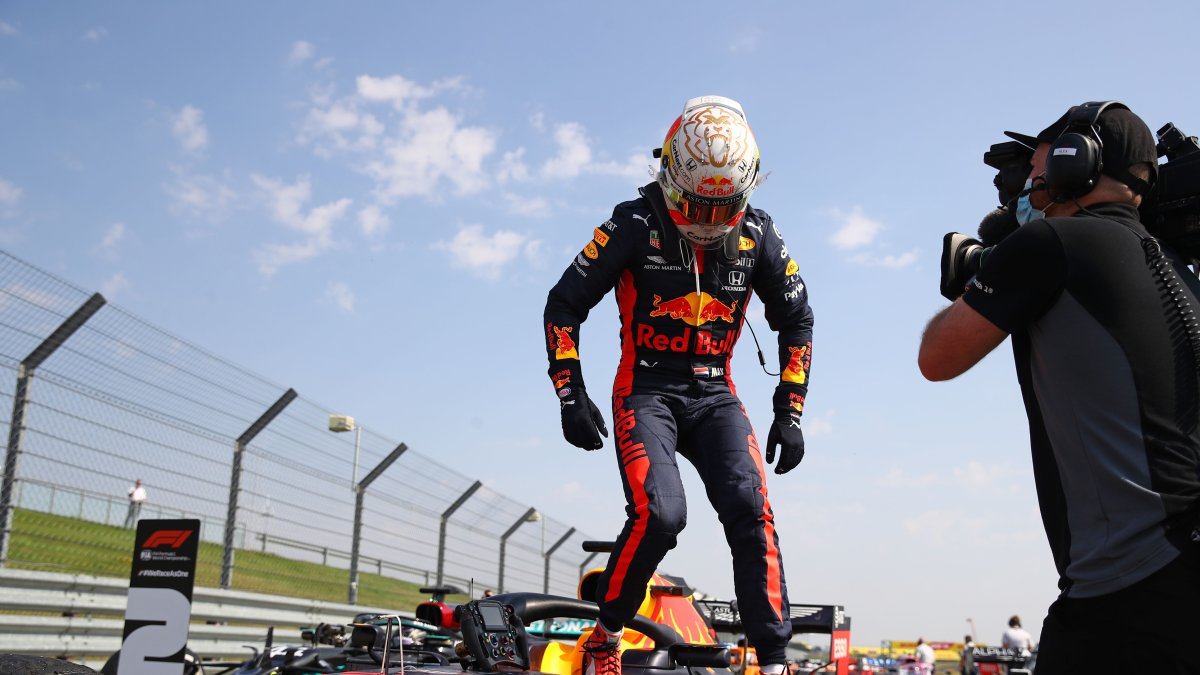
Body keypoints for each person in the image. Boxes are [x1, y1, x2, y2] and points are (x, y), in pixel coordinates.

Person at [918, 101, 1200, 673]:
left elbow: (937, 357)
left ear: (1079, 158)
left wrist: (984, 267)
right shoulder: (1177, 267)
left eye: (1041, 154)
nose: (1028, 172)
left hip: (1128, 587)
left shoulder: (1049, 247)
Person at [543, 95, 813, 675]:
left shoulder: (761, 233)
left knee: (751, 509)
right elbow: (564, 304)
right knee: (661, 516)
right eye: (698, 205)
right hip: (645, 389)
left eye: (726, 208)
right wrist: (571, 391)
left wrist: (790, 412)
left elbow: (797, 320)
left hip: (717, 393)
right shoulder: (632, 221)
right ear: (669, 174)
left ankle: (773, 662)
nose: (711, 221)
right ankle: (605, 634)